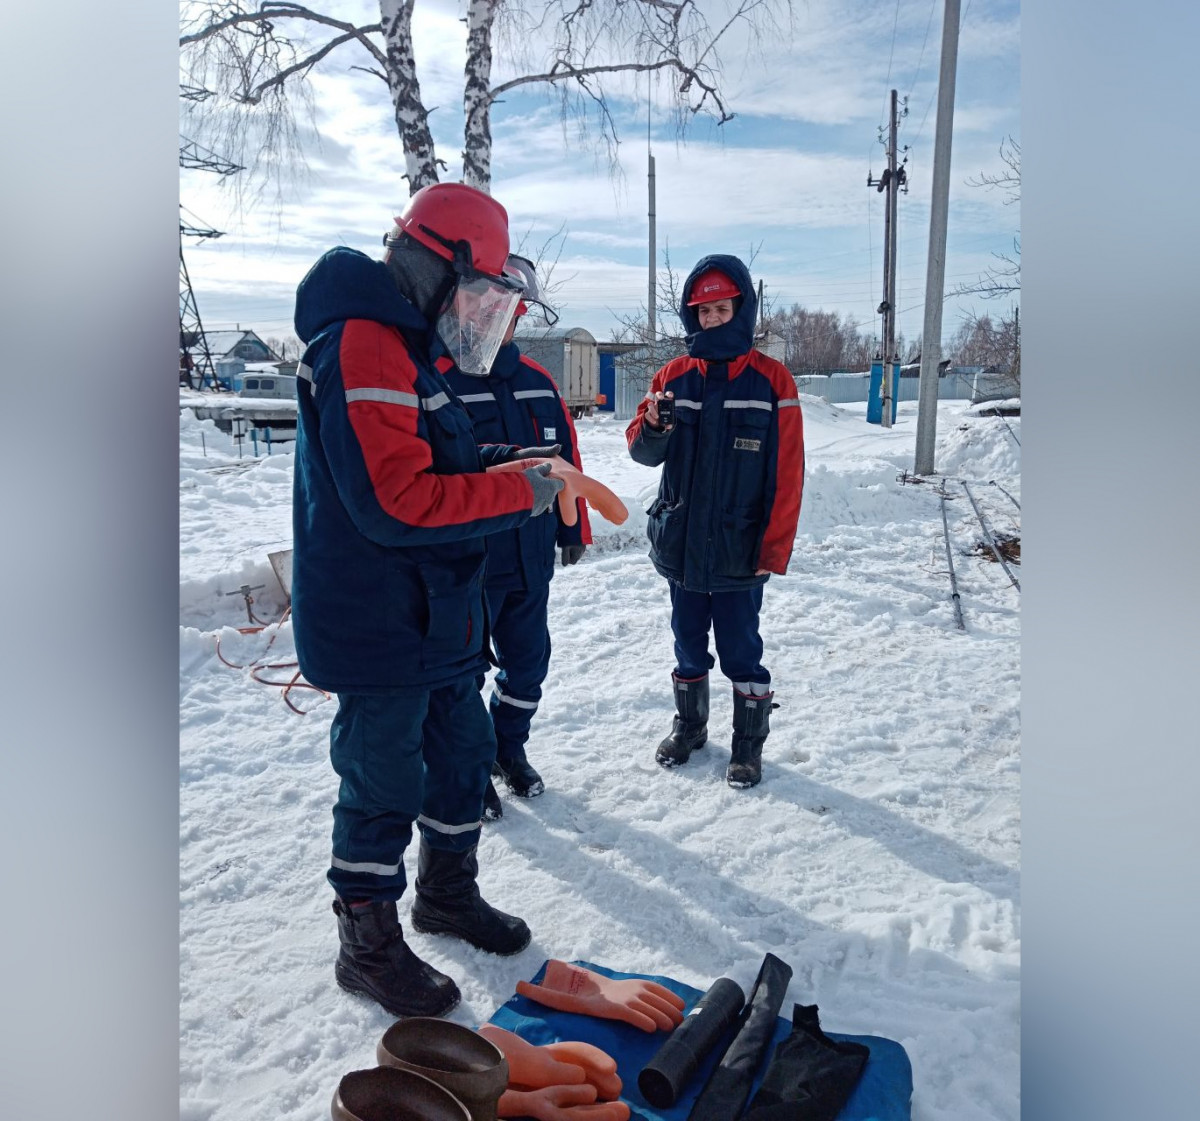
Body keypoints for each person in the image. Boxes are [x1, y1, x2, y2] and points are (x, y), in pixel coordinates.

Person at [291, 182, 568, 1020]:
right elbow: (398, 498)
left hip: (439, 613)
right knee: (383, 778)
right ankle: (366, 944)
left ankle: (448, 894)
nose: (484, 314)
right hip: (381, 621)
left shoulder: (411, 350)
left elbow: (433, 458)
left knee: (460, 754)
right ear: (437, 266)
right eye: (480, 292)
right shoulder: (365, 345)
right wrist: (513, 494)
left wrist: (499, 463)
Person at [626, 254, 804, 788]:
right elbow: (642, 453)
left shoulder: (773, 382)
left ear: (742, 310)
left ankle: (748, 746)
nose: (711, 320)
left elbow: (788, 476)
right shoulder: (672, 377)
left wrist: (773, 549)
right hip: (681, 547)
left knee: (741, 649)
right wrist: (653, 427)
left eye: (721, 309)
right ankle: (690, 727)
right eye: (702, 312)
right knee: (686, 641)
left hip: (739, 552)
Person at [441, 254, 592, 819]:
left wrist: (576, 526)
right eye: (488, 312)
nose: (498, 323)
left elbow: (568, 461)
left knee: (528, 665)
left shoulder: (538, 382)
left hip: (531, 558)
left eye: (509, 314)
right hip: (471, 562)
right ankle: (470, 767)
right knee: (465, 675)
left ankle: (509, 749)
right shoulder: (441, 379)